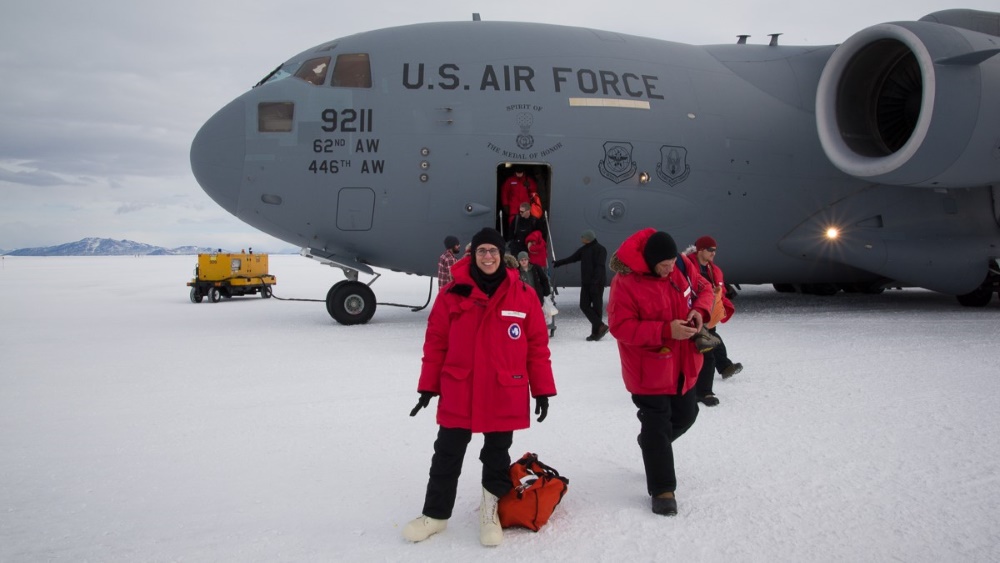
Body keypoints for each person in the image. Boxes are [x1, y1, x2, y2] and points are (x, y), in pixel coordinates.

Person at [404, 227, 556, 547]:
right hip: (461, 386)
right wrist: (428, 386)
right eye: (482, 251)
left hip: (504, 389)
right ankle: (435, 515)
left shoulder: (524, 295)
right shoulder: (452, 294)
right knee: (447, 453)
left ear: (503, 256)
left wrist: (541, 389)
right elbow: (436, 344)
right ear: (473, 256)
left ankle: (490, 515)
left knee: (496, 456)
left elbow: (537, 346)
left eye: (494, 251)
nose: (488, 257)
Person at [607, 228, 714, 516]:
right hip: (648, 370)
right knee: (657, 425)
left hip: (684, 364)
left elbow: (704, 288)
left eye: (671, 263)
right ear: (650, 261)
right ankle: (663, 489)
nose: (670, 269)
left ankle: (652, 445)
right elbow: (620, 327)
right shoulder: (626, 281)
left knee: (686, 415)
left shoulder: (681, 264)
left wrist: (699, 313)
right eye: (664, 266)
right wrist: (666, 330)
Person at [685, 236, 741, 406]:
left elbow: (719, 289)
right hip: (692, 313)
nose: (713, 253)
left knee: (708, 346)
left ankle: (706, 389)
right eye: (710, 249)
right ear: (700, 250)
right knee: (704, 348)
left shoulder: (712, 269)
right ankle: (718, 373)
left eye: (715, 250)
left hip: (707, 312)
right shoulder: (687, 267)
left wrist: (720, 297)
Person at [553, 230, 608, 341]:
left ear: (588, 238)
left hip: (597, 283)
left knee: (597, 308)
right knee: (584, 305)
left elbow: (600, 267)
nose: (581, 239)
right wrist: (559, 263)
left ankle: (596, 333)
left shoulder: (601, 250)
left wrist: (595, 282)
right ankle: (601, 326)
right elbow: (572, 258)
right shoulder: (584, 250)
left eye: (583, 237)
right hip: (586, 283)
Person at [517, 250, 555, 336]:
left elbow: (544, 280)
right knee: (527, 315)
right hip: (524, 298)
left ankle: (540, 331)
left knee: (539, 315)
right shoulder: (517, 271)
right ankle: (528, 332)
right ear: (519, 261)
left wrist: (546, 293)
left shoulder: (535, 268)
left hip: (537, 296)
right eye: (521, 260)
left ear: (528, 260)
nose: (524, 261)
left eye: (525, 259)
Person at [500, 168, 535, 236]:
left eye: (520, 173)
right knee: (513, 227)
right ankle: (512, 241)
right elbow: (504, 193)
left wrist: (529, 186)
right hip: (513, 210)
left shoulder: (528, 180)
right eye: (517, 173)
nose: (519, 174)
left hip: (526, 209)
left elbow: (534, 191)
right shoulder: (510, 181)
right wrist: (505, 205)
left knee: (526, 227)